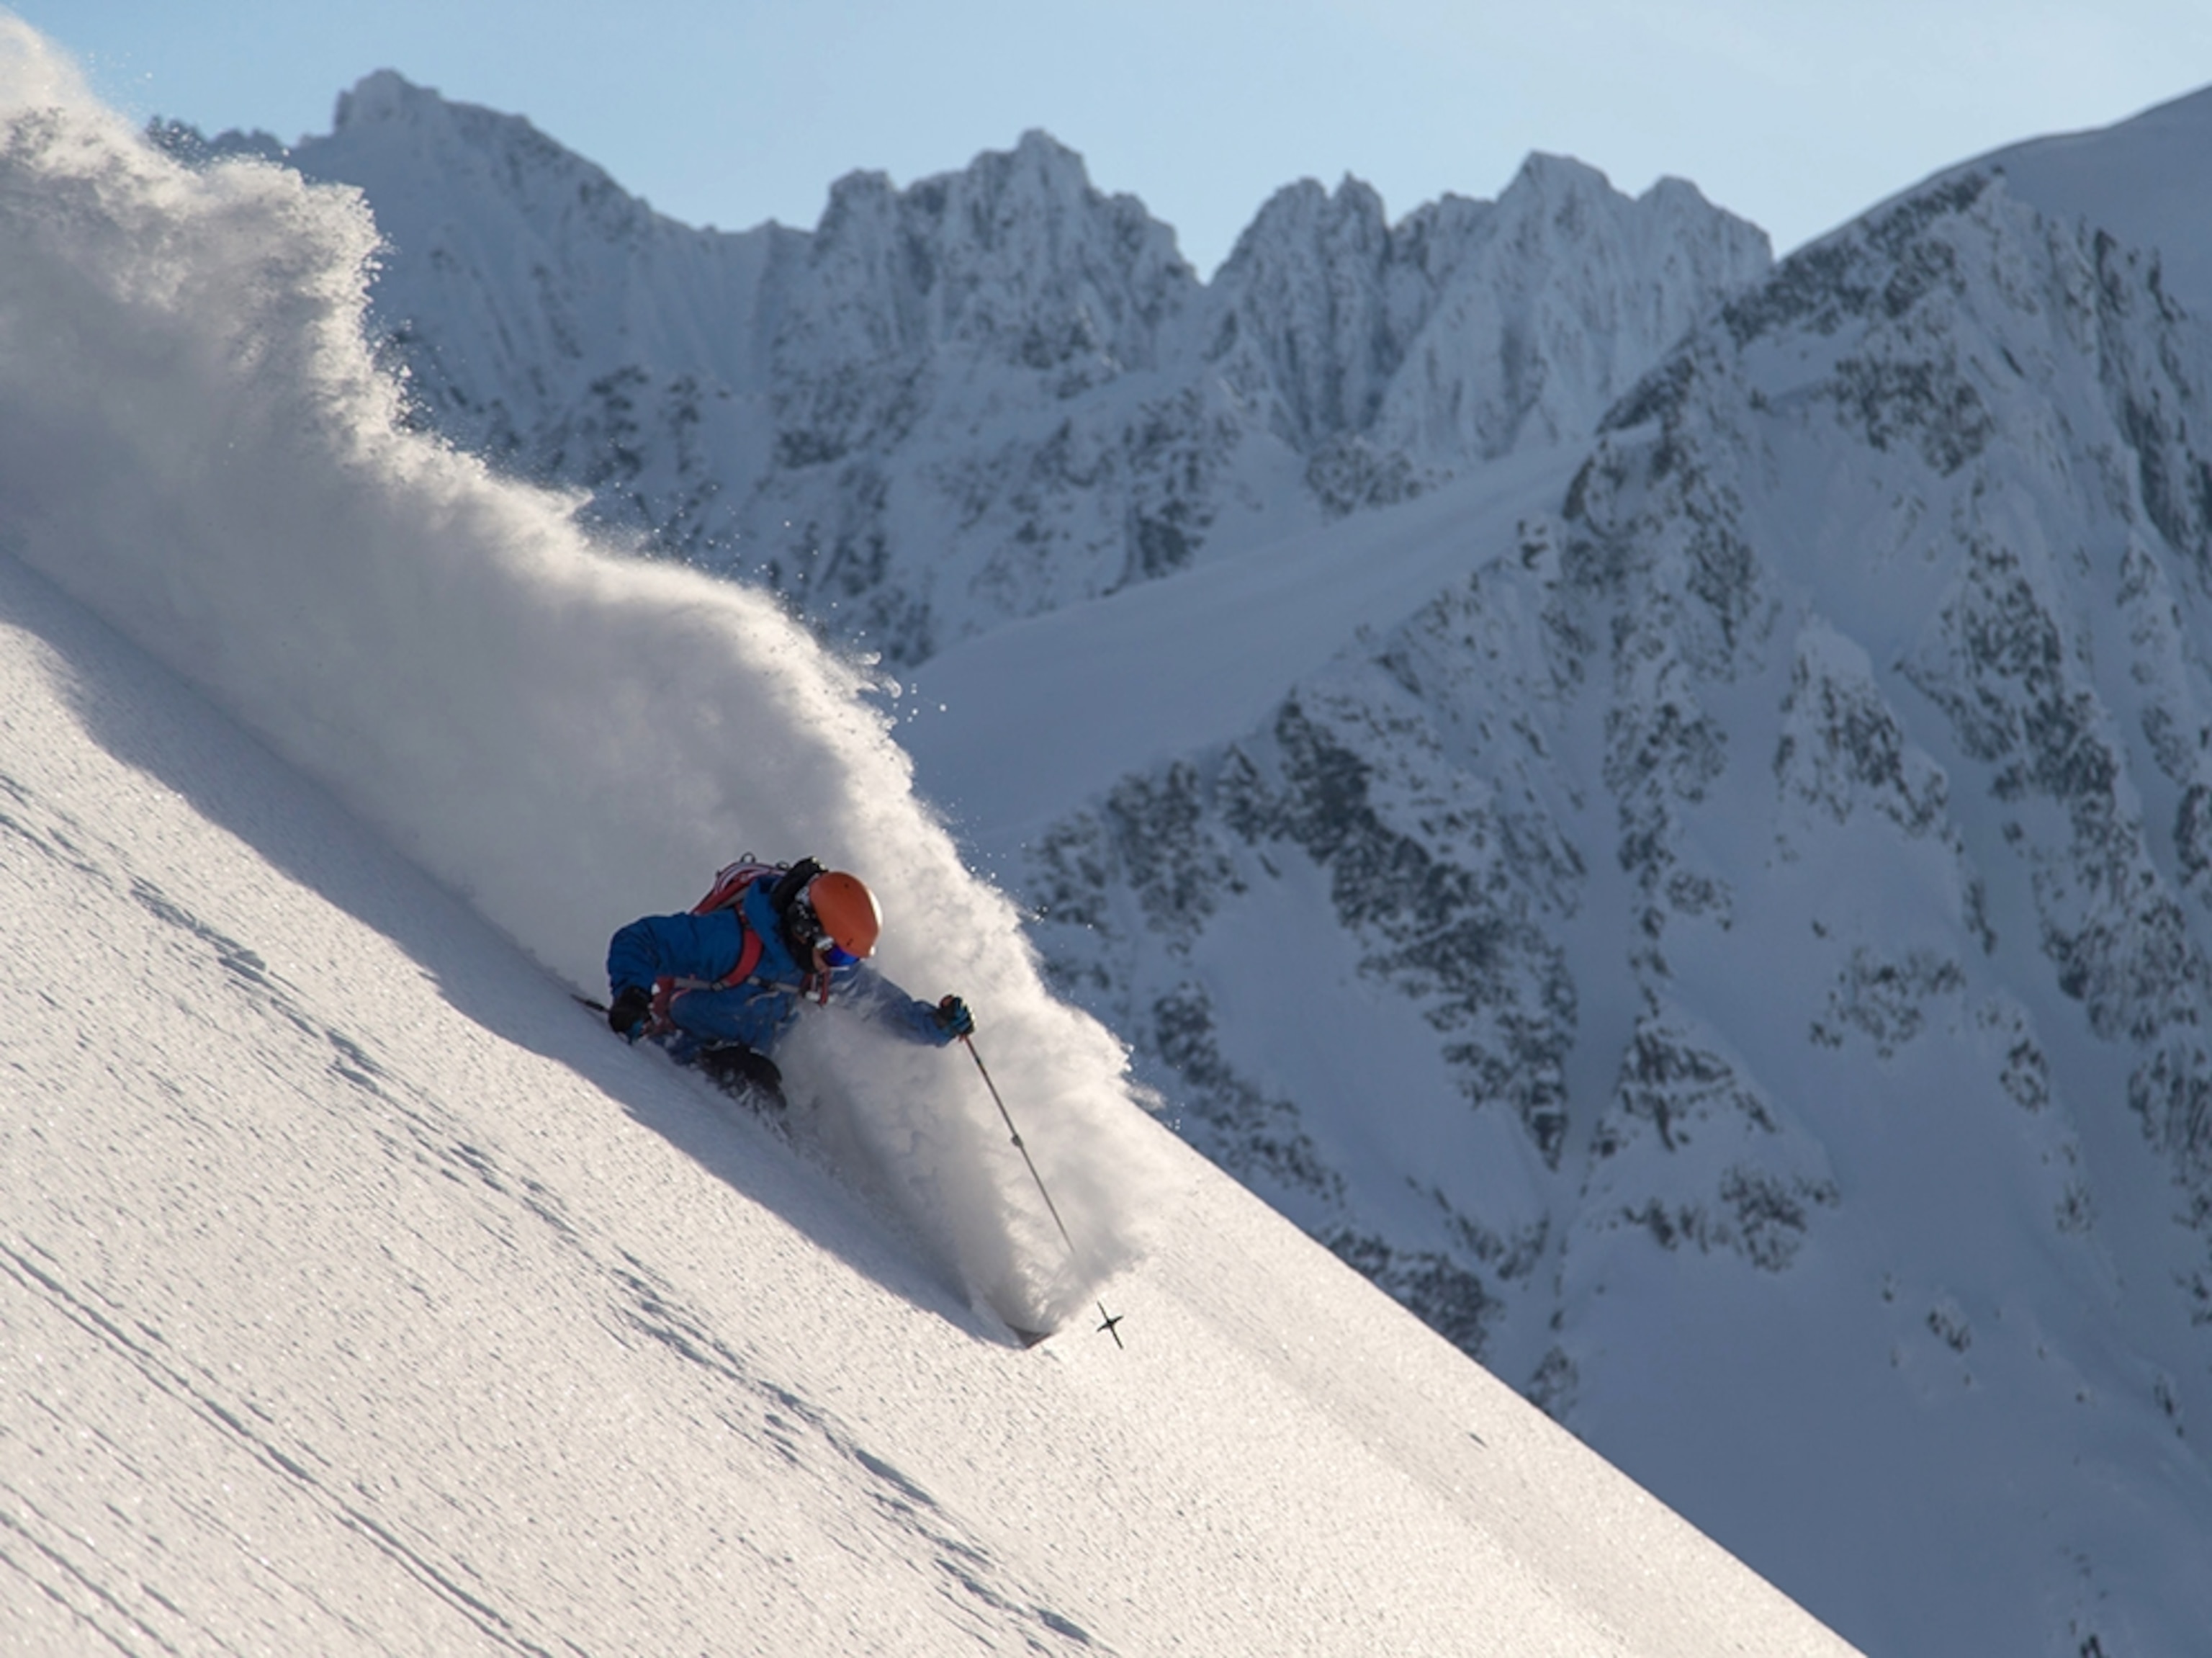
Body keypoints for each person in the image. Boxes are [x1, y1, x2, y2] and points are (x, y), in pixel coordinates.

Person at [604, 857, 974, 1106]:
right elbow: (640, 940)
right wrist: (631, 996)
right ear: (805, 928)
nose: (840, 967)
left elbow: (884, 1009)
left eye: (848, 959)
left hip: (750, 1062)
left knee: (805, 1100)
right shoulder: (730, 940)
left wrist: (936, 1026)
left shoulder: (821, 968)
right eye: (838, 955)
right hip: (679, 1050)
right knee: (756, 1082)